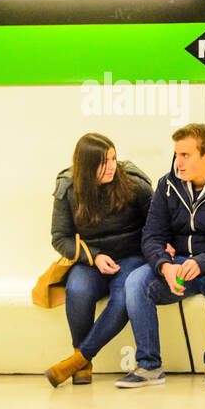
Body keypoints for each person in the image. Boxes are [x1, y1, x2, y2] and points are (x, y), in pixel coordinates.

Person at [117, 123, 205, 390]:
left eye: (186, 155)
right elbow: (152, 236)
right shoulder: (167, 186)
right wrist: (164, 266)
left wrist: (201, 262)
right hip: (183, 267)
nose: (177, 162)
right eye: (176, 154)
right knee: (136, 281)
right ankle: (149, 366)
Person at [44, 134, 153, 387]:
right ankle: (84, 363)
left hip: (131, 256)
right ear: (86, 165)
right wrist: (93, 257)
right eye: (103, 162)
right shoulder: (68, 187)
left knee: (125, 296)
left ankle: (78, 359)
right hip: (91, 259)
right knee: (77, 290)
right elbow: (60, 238)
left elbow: (155, 229)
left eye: (113, 158)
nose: (112, 166)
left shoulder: (136, 184)